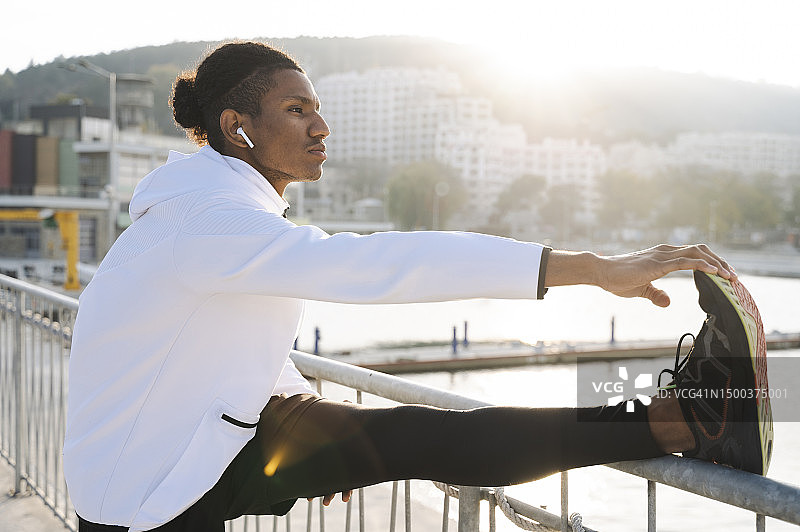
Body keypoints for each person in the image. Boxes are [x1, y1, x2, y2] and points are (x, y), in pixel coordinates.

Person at [63, 41, 772, 532]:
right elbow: (378, 265)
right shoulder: (208, 220)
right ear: (236, 127)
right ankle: (681, 420)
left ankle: (683, 420)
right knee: (419, 438)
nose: (321, 125)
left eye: (316, 107)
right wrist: (588, 267)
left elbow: (222, 329)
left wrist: (307, 415)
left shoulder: (219, 212)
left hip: (203, 433)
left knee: (414, 438)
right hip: (145, 489)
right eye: (296, 110)